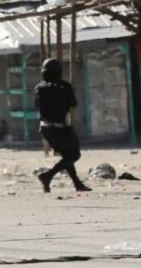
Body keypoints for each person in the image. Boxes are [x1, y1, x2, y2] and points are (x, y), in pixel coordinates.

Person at [35, 58, 92, 193]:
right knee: (74, 155)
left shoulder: (39, 87)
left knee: (67, 155)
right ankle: (47, 176)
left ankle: (77, 184)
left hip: (45, 128)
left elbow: (37, 106)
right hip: (59, 127)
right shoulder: (65, 86)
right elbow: (73, 104)